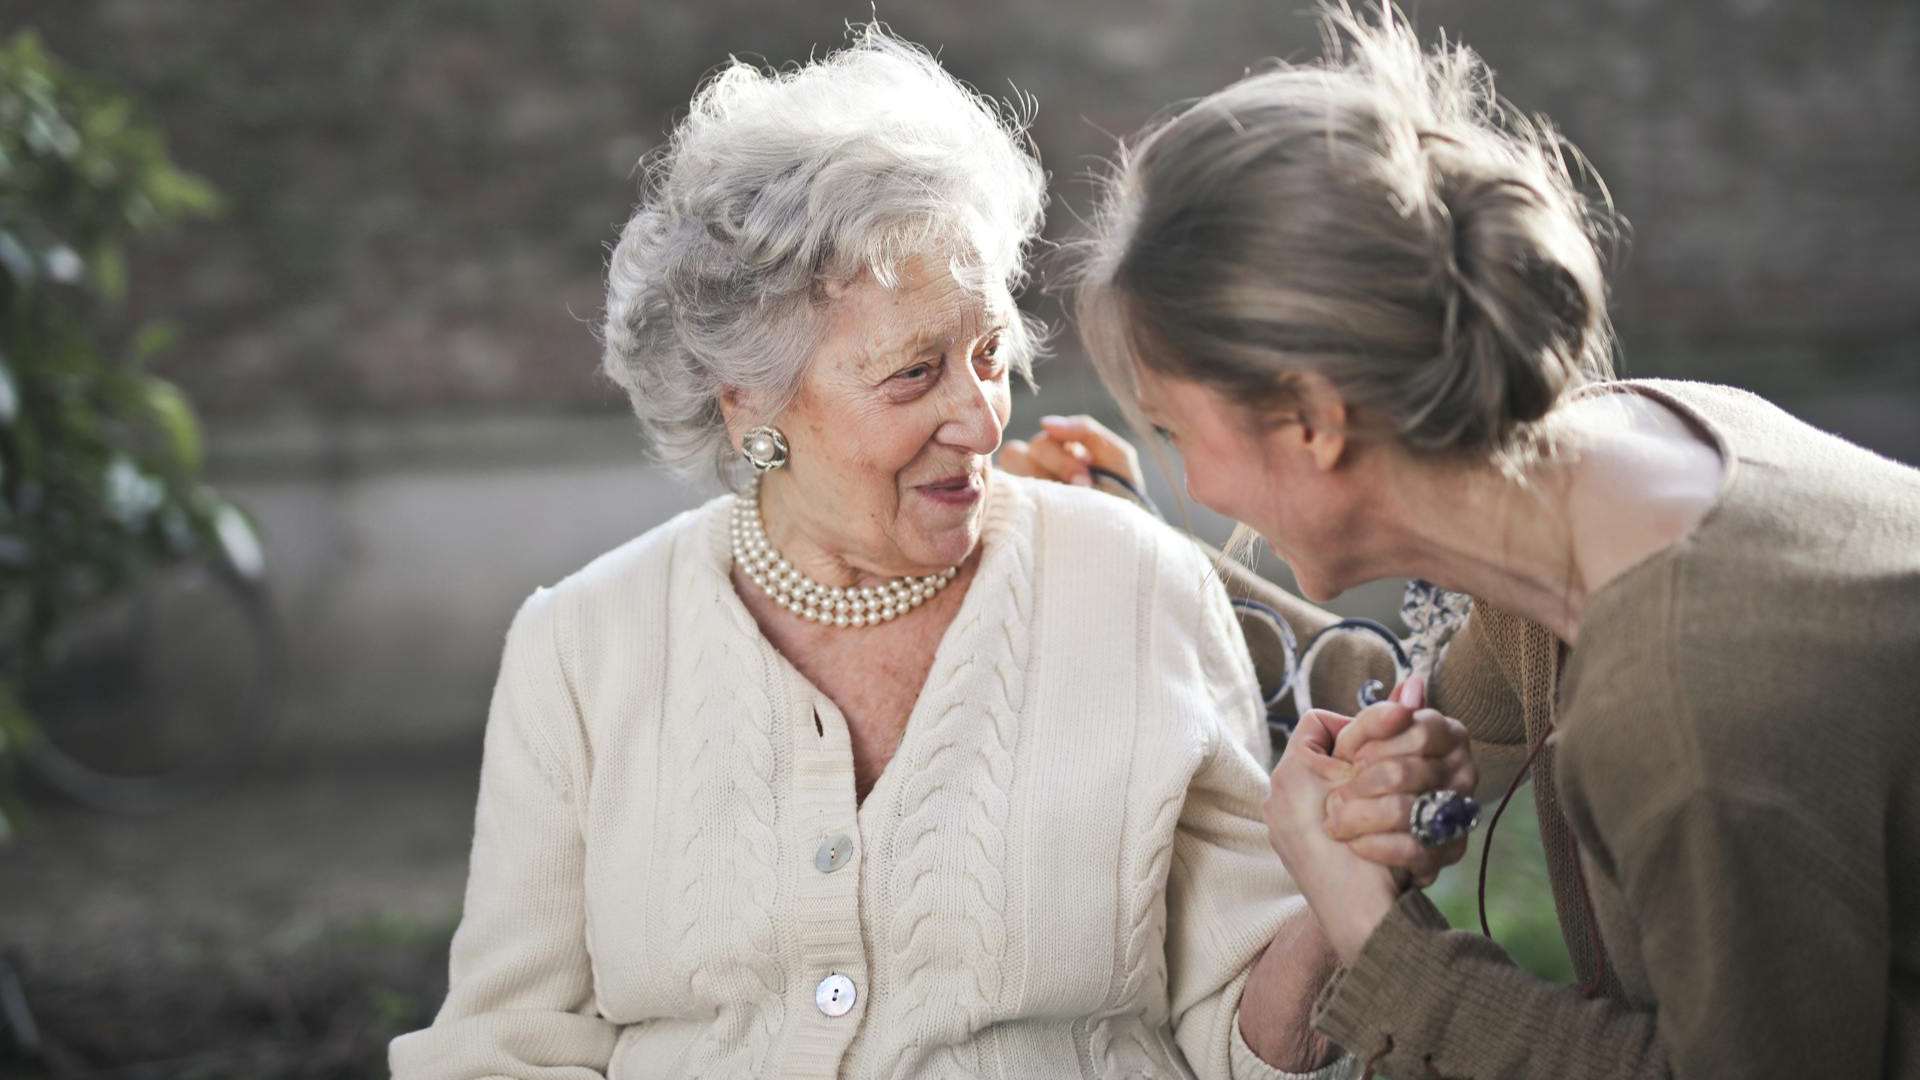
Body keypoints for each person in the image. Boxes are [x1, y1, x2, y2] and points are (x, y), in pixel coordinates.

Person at [390, 27, 1375, 1080]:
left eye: (990, 354)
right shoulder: (582, 647)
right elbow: (501, 1047)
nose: (981, 419)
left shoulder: (1136, 586)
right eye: (914, 376)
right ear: (749, 404)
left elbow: (1243, 1041)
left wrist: (1346, 883)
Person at [1044, 4, 1920, 1076]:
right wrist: (1404, 774)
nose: (1195, 482)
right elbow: (1448, 725)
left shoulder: (1688, 707)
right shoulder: (1618, 453)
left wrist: (1379, 938)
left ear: (1313, 419)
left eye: (1179, 431)